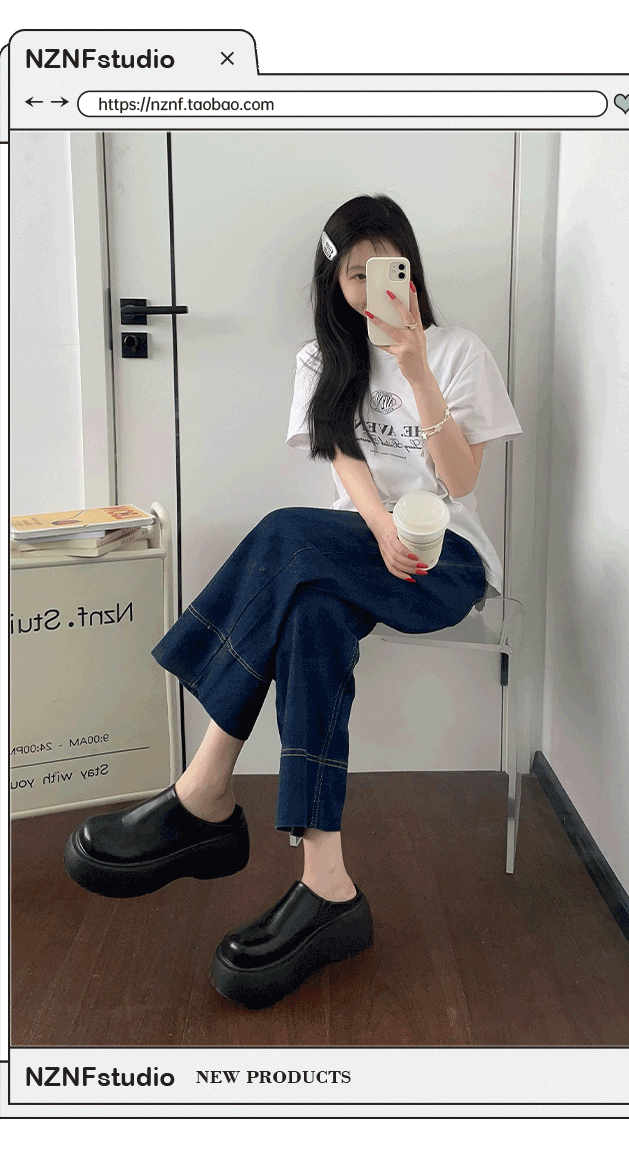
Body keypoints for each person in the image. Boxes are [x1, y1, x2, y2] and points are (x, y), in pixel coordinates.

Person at [63, 194, 523, 1010]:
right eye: (354, 274)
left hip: (445, 559)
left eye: (386, 269)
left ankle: (205, 789)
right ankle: (327, 883)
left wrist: (418, 373)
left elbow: (459, 481)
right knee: (309, 613)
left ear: (412, 271)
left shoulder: (457, 352)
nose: (371, 288)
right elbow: (345, 464)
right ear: (333, 281)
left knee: (283, 533)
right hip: (356, 546)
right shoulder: (321, 359)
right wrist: (378, 527)